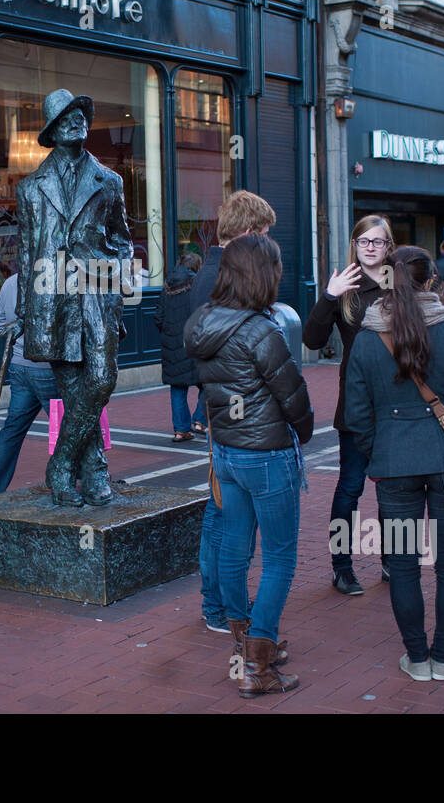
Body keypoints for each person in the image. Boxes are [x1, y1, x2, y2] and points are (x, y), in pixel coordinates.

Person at [345, 246, 444, 682]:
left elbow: (356, 415)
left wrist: (378, 451)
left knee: (404, 565)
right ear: (432, 282)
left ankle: (417, 657)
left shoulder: (368, 337)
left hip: (394, 466)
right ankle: (442, 658)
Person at [184, 234, 313, 698]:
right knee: (279, 557)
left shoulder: (202, 323)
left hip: (227, 453)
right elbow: (292, 394)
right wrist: (306, 428)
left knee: (234, 549)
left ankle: (244, 645)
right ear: (264, 274)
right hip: (267, 453)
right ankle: (258, 666)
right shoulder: (261, 330)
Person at [15, 88, 133, 508]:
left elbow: (122, 241)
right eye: (65, 116)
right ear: (52, 128)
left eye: (80, 114)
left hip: (97, 292)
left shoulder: (110, 181)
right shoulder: (30, 188)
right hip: (51, 299)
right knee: (72, 385)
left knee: (101, 379)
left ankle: (60, 465)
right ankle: (95, 472)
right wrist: (25, 311)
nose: (76, 120)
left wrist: (118, 287)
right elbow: (27, 252)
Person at [185, 190, 277, 633]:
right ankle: (220, 605)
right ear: (246, 232)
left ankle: (219, 602)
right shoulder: (225, 272)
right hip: (232, 409)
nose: (266, 243)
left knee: (221, 509)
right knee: (224, 513)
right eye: (261, 233)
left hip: (220, 404)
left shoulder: (209, 269)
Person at [303, 214, 395, 596]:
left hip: (397, 402)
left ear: (389, 247)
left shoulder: (400, 284)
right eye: (363, 241)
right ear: (355, 246)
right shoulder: (346, 287)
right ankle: (342, 566)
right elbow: (311, 340)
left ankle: (394, 559)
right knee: (351, 487)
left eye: (377, 241)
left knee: (395, 488)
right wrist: (328, 296)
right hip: (357, 404)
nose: (370, 247)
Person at [0, 273, 58, 496]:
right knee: (67, 428)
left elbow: (0, 325)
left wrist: (18, 342)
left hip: (19, 365)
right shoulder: (54, 278)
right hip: (48, 368)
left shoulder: (10, 281)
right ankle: (73, 480)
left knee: (12, 430)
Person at [155, 252, 203, 441]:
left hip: (171, 344)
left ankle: (181, 430)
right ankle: (199, 420)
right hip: (193, 341)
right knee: (207, 382)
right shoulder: (196, 285)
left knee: (177, 387)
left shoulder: (167, 286)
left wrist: (168, 333)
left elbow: (158, 317)